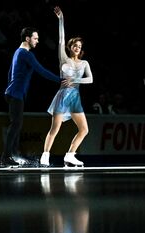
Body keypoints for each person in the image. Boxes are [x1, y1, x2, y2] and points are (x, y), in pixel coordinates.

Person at [2, 26, 71, 167]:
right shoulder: (26, 54)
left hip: (14, 92)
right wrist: (60, 80)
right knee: (16, 124)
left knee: (17, 125)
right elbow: (41, 70)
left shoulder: (17, 52)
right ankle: (6, 157)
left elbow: (10, 72)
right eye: (35, 38)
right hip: (16, 93)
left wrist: (11, 88)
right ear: (27, 39)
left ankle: (13, 154)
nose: (37, 41)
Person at [40, 6, 93, 168]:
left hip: (75, 98)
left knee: (84, 129)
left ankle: (70, 155)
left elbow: (90, 79)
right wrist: (61, 19)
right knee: (55, 128)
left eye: (79, 46)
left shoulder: (84, 63)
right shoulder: (63, 59)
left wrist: (75, 79)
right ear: (70, 47)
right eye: (75, 45)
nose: (77, 48)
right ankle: (45, 155)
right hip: (63, 96)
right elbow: (61, 39)